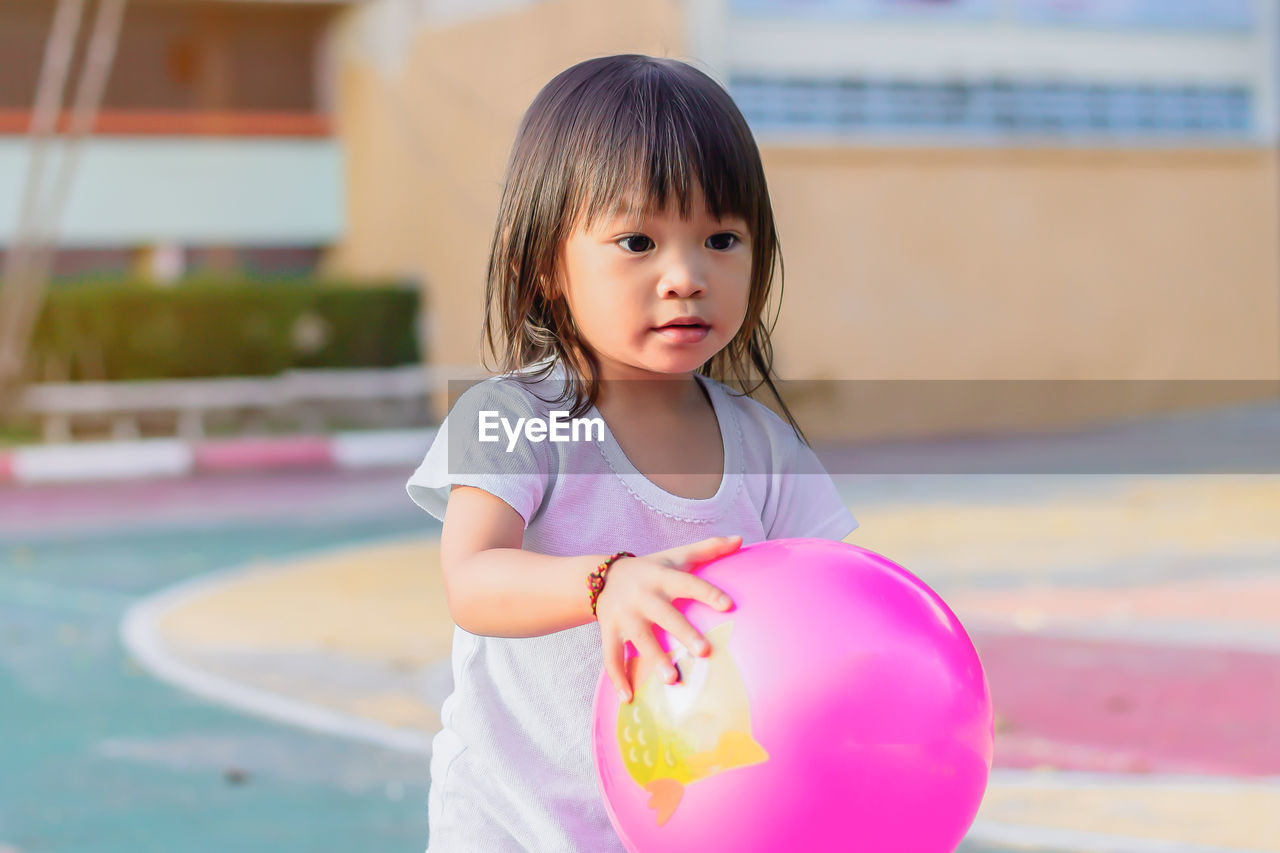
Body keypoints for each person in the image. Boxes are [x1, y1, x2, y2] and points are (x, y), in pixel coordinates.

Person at [404, 54, 857, 852]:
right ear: (542, 263)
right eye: (638, 240)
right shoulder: (515, 418)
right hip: (512, 825)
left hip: (689, 824)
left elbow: (831, 606)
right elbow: (473, 579)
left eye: (721, 237)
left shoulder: (764, 448)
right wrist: (607, 582)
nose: (685, 276)